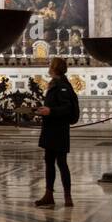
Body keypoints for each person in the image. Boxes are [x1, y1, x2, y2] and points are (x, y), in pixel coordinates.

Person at [34, 57, 77, 207]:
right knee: (49, 162)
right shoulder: (56, 84)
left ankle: (67, 196)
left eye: (50, 64)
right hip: (51, 129)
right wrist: (44, 110)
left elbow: (67, 108)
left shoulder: (62, 86)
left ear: (55, 68)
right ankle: (49, 195)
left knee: (61, 163)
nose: (48, 66)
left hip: (58, 130)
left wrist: (50, 111)